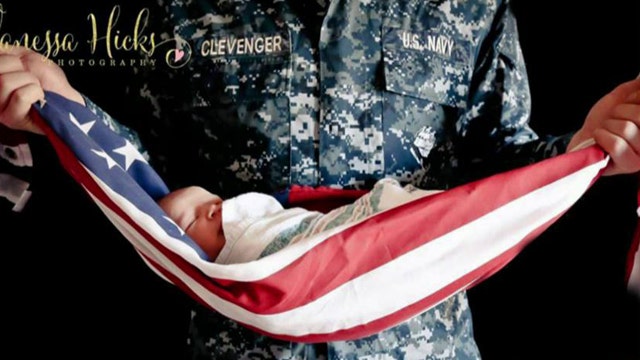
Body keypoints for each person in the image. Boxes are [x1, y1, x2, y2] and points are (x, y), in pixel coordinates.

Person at [1, 0, 639, 358]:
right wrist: (68, 112)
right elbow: (149, 179)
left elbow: (495, 175)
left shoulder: (469, 11)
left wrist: (584, 149)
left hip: (417, 349)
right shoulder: (178, 13)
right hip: (240, 347)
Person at [158, 179, 439, 264]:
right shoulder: (229, 268)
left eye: (215, 200)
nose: (212, 210)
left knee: (390, 210)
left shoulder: (244, 223)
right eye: (191, 219)